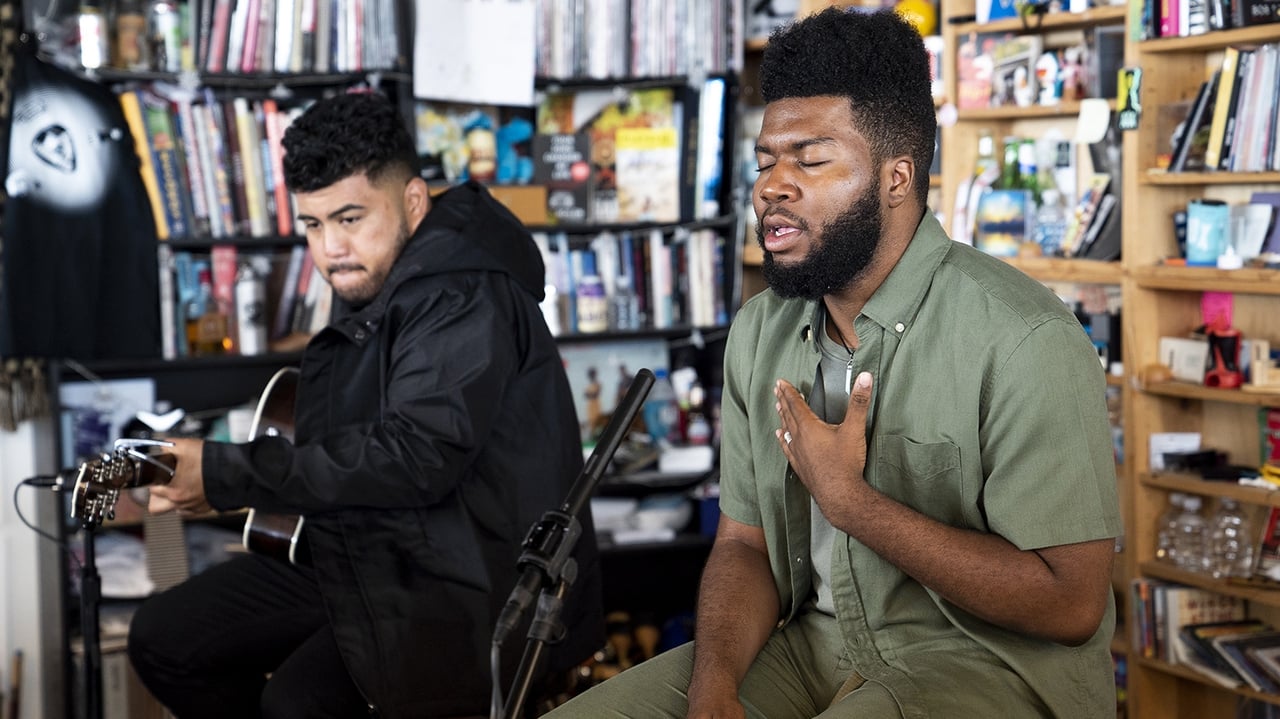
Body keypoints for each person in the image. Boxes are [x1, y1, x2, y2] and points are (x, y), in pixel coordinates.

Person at [546, 8, 1120, 718]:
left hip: (983, 663)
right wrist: (713, 685)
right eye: (764, 162)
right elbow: (743, 545)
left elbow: (1072, 602)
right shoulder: (761, 331)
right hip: (811, 646)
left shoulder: (1026, 339)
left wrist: (853, 505)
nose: (770, 187)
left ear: (897, 177)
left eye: (810, 160)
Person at [127, 91, 603, 718]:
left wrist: (224, 475)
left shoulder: (461, 291)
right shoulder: (379, 271)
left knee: (297, 703)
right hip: (374, 546)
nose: (330, 250)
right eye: (313, 225)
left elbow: (415, 454)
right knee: (166, 637)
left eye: (350, 219)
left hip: (466, 581)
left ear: (412, 201)